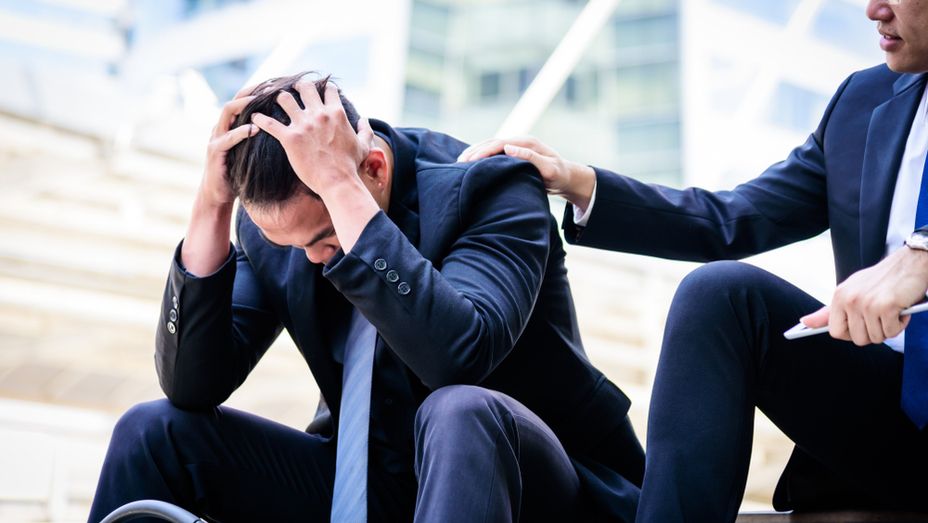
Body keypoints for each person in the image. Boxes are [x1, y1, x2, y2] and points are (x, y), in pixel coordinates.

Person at [86, 72, 645, 523]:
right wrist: (211, 205)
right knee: (151, 431)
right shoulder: (282, 230)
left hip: (530, 481)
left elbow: (457, 356)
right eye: (296, 244)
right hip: (371, 483)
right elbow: (193, 385)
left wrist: (341, 192)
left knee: (458, 410)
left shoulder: (493, 189)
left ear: (373, 167)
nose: (310, 259)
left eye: (324, 239)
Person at [459, 0, 928, 521]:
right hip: (893, 428)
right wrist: (578, 182)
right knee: (719, 295)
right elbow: (731, 217)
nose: (872, 10)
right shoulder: (862, 102)